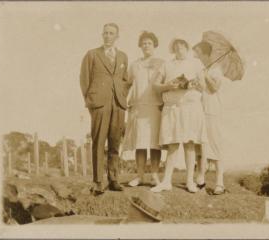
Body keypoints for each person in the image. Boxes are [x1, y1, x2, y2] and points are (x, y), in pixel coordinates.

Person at [151, 39, 206, 193]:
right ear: (173, 49)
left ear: (187, 48)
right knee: (173, 144)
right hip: (172, 108)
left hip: (190, 108)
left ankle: (189, 181)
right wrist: (168, 86)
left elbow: (203, 86)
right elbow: (155, 86)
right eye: (176, 47)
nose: (179, 49)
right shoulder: (167, 64)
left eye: (182, 47)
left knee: (189, 144)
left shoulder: (196, 63)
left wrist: (195, 83)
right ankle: (166, 181)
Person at [80, 23, 129, 195]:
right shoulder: (92, 54)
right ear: (102, 35)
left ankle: (113, 179)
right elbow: (84, 80)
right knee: (98, 142)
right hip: (99, 104)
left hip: (118, 104)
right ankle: (98, 181)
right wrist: (91, 102)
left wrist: (122, 96)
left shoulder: (123, 56)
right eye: (105, 33)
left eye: (112, 33)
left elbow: (125, 80)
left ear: (117, 36)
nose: (108, 36)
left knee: (115, 142)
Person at [122, 31, 164, 187]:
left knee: (154, 144)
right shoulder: (134, 65)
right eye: (144, 43)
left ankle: (154, 176)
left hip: (156, 106)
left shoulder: (161, 63)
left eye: (149, 43)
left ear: (154, 46)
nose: (146, 46)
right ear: (140, 46)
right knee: (140, 143)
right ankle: (139, 176)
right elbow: (126, 84)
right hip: (138, 107)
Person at [193, 41, 226, 195]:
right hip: (200, 109)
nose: (196, 55)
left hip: (212, 110)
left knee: (215, 144)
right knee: (200, 145)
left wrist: (206, 76)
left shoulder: (216, 69)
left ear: (205, 53)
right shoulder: (201, 69)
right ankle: (201, 179)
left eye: (198, 52)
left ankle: (220, 182)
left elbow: (215, 87)